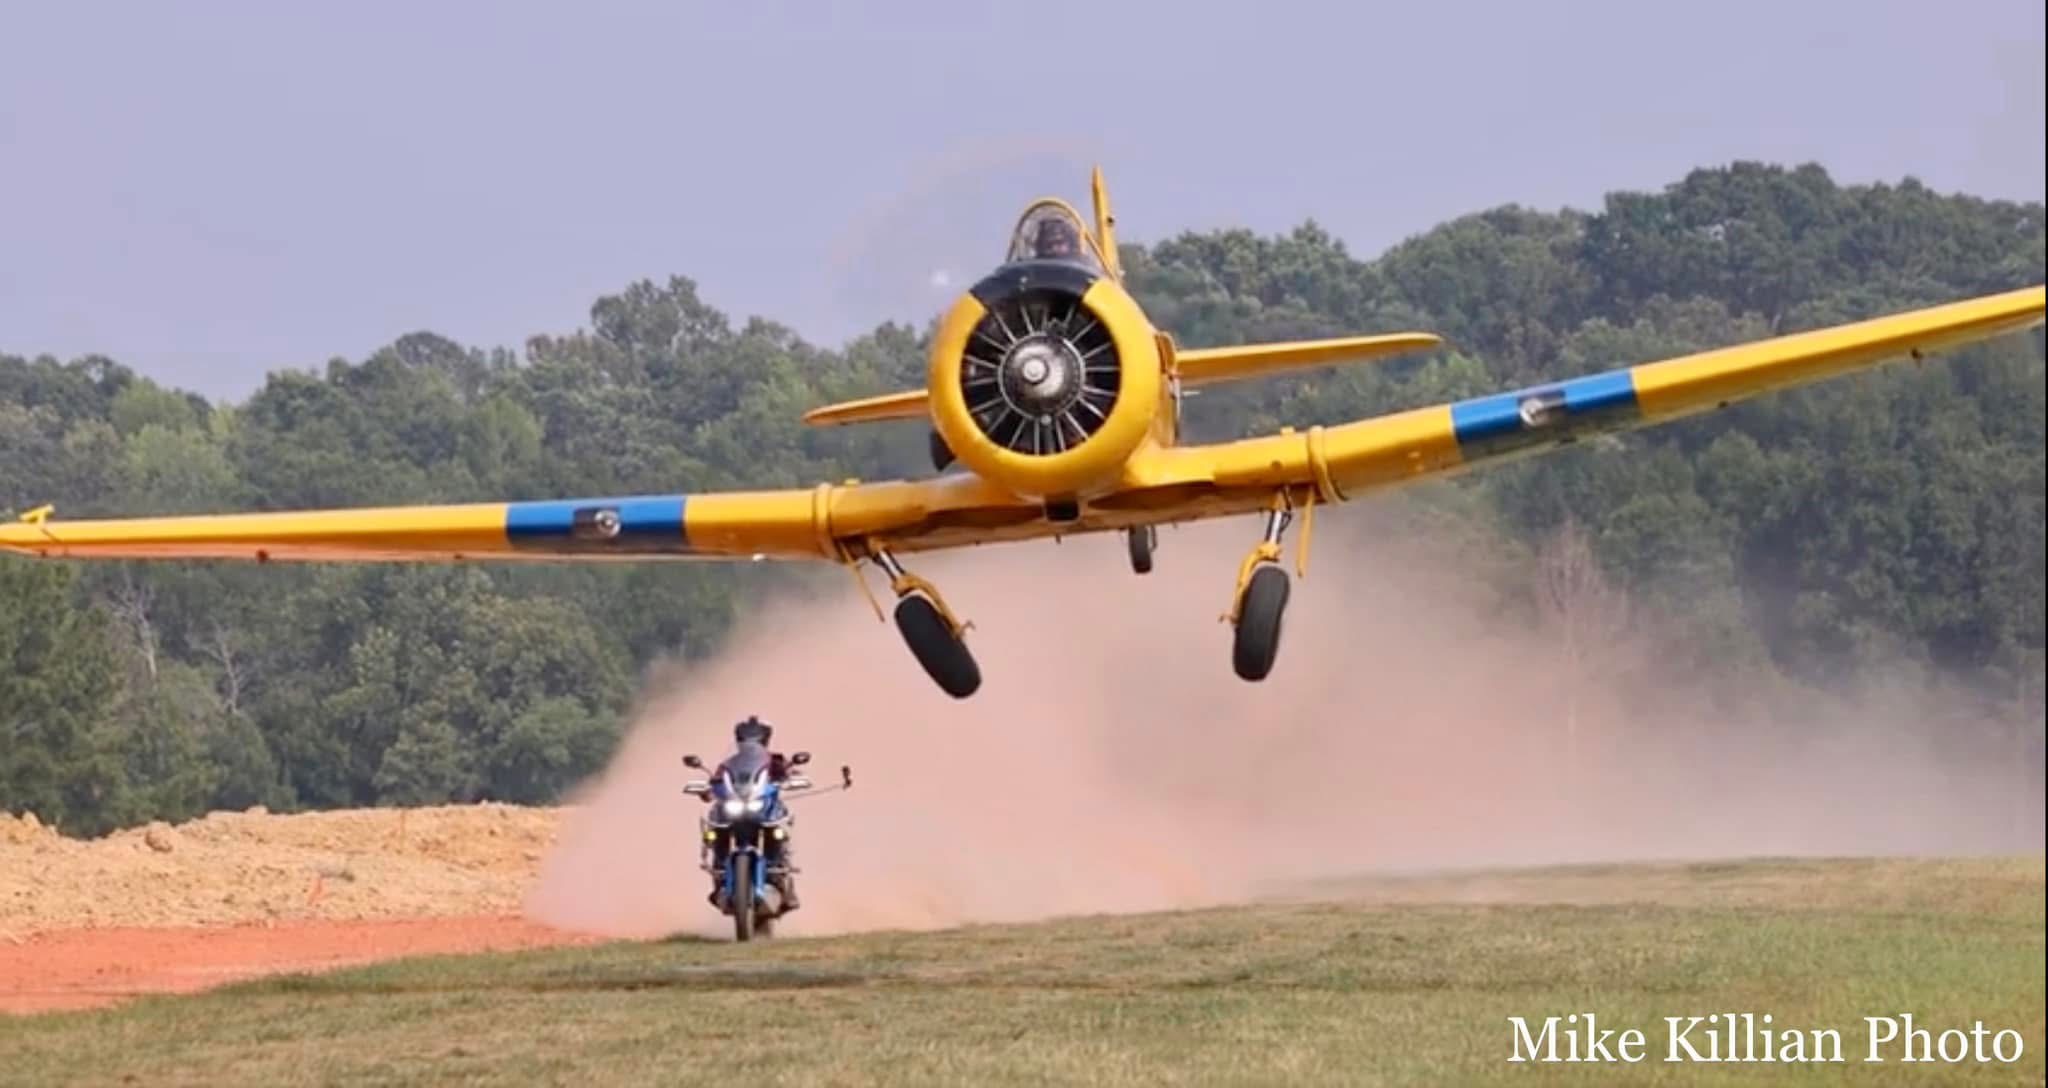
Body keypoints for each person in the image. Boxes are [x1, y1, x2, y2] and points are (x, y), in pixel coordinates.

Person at [701, 715, 801, 912]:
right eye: (746, 740)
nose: (750, 744)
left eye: (755, 740)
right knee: (715, 830)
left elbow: (790, 774)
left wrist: (793, 778)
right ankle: (719, 877)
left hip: (764, 808)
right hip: (735, 809)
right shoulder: (729, 765)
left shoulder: (775, 761)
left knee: (779, 829)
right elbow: (716, 782)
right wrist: (707, 789)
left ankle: (782, 877)